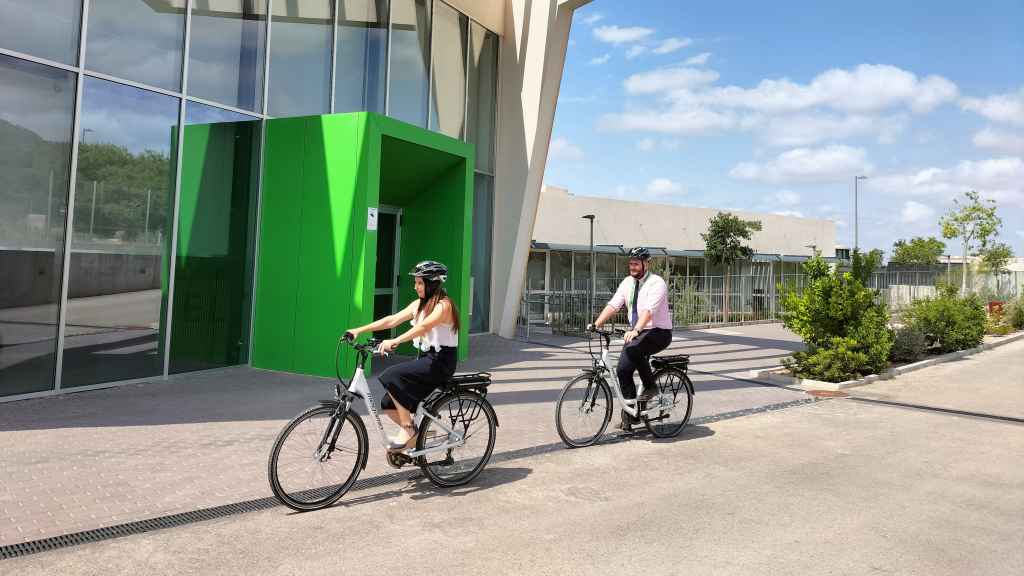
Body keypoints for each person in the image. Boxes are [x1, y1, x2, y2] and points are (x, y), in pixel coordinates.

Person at [345, 260, 460, 450]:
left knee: (392, 375)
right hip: (426, 359)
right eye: (415, 283)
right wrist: (359, 330)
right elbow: (392, 320)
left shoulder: (443, 306)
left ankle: (409, 429)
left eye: (420, 283)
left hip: (441, 362)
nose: (416, 287)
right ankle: (418, 434)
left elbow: (423, 326)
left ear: (432, 283)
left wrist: (395, 341)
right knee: (388, 403)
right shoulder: (419, 305)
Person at [589, 246, 673, 431]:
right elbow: (614, 304)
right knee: (622, 370)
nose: (633, 267)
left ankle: (651, 387)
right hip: (640, 332)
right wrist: (596, 324)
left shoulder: (656, 283)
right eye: (631, 264)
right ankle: (631, 416)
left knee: (634, 348)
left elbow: (648, 311)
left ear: (646, 264)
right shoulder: (627, 282)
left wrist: (635, 329)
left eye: (636, 263)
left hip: (659, 332)